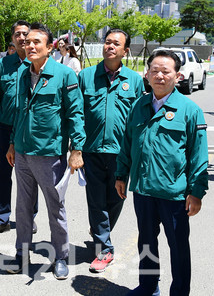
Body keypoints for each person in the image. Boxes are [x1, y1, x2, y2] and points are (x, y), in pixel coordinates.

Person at [115, 49, 209, 296]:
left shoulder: (189, 110)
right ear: (146, 75)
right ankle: (147, 286)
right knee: (146, 243)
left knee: (178, 247)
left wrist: (196, 192)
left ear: (177, 76)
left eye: (165, 71)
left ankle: (179, 292)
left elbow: (199, 155)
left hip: (174, 194)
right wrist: (121, 175)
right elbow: (127, 143)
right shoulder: (138, 106)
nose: (159, 75)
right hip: (144, 190)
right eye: (154, 70)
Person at [6, 22, 86, 280]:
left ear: (50, 47)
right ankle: (22, 253)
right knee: (22, 207)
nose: (29, 45)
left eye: (35, 42)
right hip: (22, 153)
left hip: (50, 153)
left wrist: (77, 149)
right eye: (27, 41)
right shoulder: (21, 74)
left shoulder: (64, 75)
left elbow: (75, 114)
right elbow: (17, 113)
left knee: (55, 207)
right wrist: (11, 144)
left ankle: (61, 256)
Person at [78, 29, 144, 273]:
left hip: (121, 153)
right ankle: (105, 249)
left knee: (116, 199)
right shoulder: (86, 76)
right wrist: (75, 148)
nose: (110, 47)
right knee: (96, 200)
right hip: (92, 150)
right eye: (107, 42)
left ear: (125, 50)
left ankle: (99, 231)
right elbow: (77, 115)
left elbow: (139, 118)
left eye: (116, 44)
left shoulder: (134, 80)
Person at [0, 20, 38, 238]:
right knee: (4, 174)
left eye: (25, 34)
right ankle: (2, 218)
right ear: (13, 38)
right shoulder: (4, 64)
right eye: (18, 34)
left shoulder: (38, 63)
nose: (22, 38)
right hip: (6, 127)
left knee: (31, 175)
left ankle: (30, 217)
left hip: (28, 129)